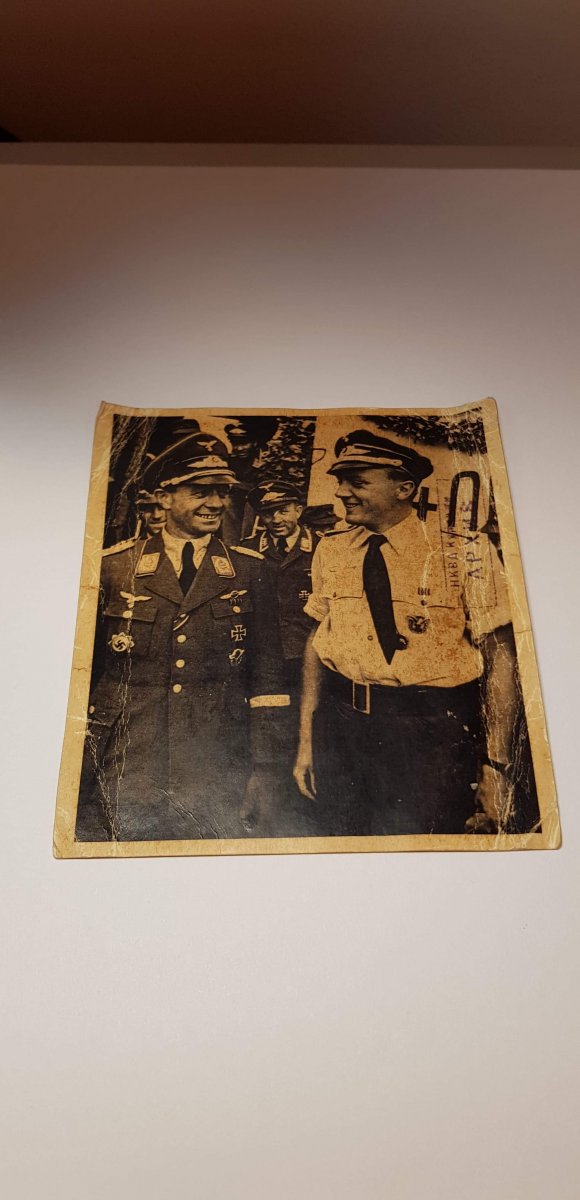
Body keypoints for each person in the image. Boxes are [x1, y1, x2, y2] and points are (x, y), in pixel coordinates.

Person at [293, 429, 518, 837]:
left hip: (428, 733)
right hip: (341, 729)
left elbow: (500, 657)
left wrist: (496, 765)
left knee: (423, 844)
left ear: (404, 489)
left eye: (357, 482)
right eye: (340, 481)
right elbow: (317, 642)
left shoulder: (464, 553)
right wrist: (307, 741)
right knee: (344, 844)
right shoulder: (332, 549)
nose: (341, 492)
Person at [76, 432, 289, 843]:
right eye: (200, 491)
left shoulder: (250, 570)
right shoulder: (114, 568)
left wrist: (266, 769)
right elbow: (82, 674)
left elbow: (268, 681)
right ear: (165, 497)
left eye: (222, 492)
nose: (215, 502)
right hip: (128, 758)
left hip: (217, 757)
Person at [242, 480, 317, 834]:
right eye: (268, 512)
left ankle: (311, 806)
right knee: (269, 729)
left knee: (312, 724)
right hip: (266, 657)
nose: (276, 519)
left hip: (312, 658)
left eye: (284, 510)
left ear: (299, 510)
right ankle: (274, 811)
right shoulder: (246, 552)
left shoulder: (323, 548)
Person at [222, 417, 279, 541]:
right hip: (234, 510)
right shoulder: (229, 462)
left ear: (255, 443)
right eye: (235, 443)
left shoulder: (267, 462)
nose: (239, 448)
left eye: (244, 443)